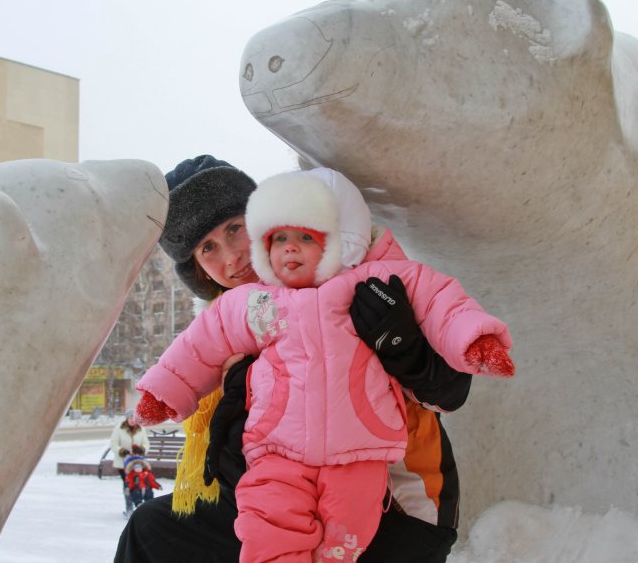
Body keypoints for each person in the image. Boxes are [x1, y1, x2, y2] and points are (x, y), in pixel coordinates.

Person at [113, 156, 488, 563]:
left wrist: (400, 344)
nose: (231, 257)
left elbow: (449, 393)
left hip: (397, 504)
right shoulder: (228, 326)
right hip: (280, 502)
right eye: (208, 248)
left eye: (234, 229)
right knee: (151, 531)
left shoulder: (353, 282)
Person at [110, 409, 151, 518]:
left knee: (138, 483)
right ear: (127, 419)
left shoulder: (141, 429)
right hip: (123, 463)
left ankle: (139, 505)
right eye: (131, 418)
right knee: (127, 484)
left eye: (135, 418)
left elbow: (146, 443)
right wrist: (122, 450)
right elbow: (113, 444)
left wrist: (141, 449)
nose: (133, 420)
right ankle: (129, 508)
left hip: (137, 462)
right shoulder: (119, 428)